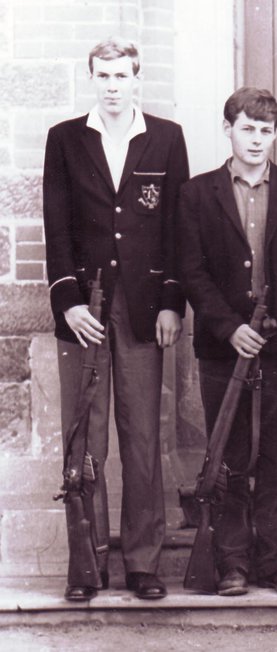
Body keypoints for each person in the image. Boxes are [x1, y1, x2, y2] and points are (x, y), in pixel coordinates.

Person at [43, 37, 189, 602]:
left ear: (136, 78)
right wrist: (69, 301)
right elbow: (56, 227)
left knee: (141, 438)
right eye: (101, 75)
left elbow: (178, 227)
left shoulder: (166, 137)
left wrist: (173, 302)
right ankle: (87, 564)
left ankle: (143, 564)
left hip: (143, 309)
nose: (111, 84)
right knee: (84, 441)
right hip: (84, 307)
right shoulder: (65, 139)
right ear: (91, 78)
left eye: (120, 75)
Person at [178, 87, 277, 596]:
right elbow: (190, 271)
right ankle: (232, 565)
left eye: (266, 130)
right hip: (224, 348)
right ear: (228, 129)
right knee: (230, 458)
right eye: (247, 129)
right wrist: (226, 325)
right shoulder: (196, 193)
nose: (257, 140)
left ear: (276, 134)